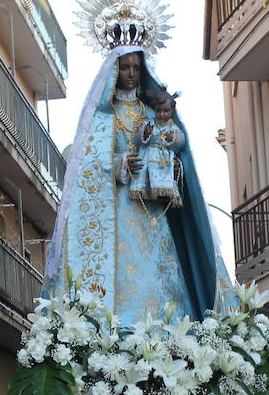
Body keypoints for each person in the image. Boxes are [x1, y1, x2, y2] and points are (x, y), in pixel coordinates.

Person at [45, 41, 226, 326]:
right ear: (116, 69)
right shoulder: (103, 115)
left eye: (136, 68)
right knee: (123, 274)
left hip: (152, 212)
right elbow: (87, 161)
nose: (131, 73)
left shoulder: (153, 110)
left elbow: (177, 138)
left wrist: (170, 147)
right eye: (125, 67)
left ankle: (169, 329)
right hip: (118, 212)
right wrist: (119, 164)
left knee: (160, 269)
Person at [130, 88, 184, 206]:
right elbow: (140, 138)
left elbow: (180, 141)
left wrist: (172, 139)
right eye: (158, 110)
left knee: (166, 177)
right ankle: (146, 191)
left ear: (172, 110)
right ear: (154, 109)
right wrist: (146, 132)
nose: (162, 114)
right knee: (146, 174)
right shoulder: (149, 123)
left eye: (166, 111)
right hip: (148, 155)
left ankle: (164, 194)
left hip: (164, 159)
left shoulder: (172, 126)